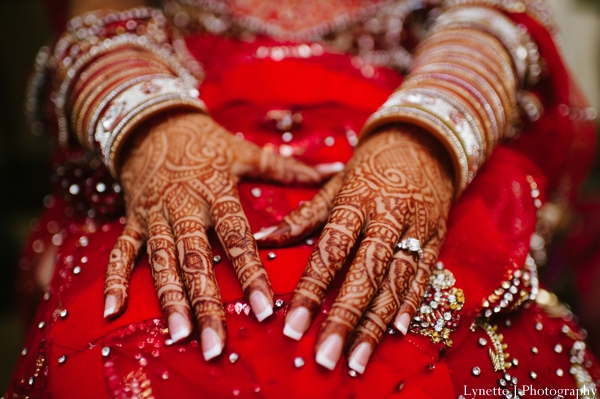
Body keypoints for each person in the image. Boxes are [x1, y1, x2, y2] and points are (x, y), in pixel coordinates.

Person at [6, 0, 600, 397]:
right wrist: (148, 126)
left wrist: (426, 136)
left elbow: (491, 15)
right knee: (130, 345)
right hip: (182, 120)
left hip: (407, 113)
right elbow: (101, 22)